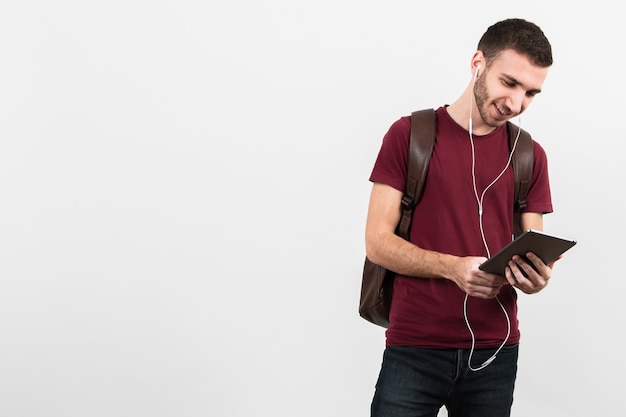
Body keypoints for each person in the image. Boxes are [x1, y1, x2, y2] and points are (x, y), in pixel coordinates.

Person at [365, 18, 556, 417]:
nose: (516, 104)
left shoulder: (529, 155)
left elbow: (532, 248)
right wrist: (452, 267)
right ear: (478, 63)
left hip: (495, 353)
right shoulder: (409, 135)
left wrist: (535, 278)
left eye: (531, 93)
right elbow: (377, 242)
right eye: (509, 83)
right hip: (414, 348)